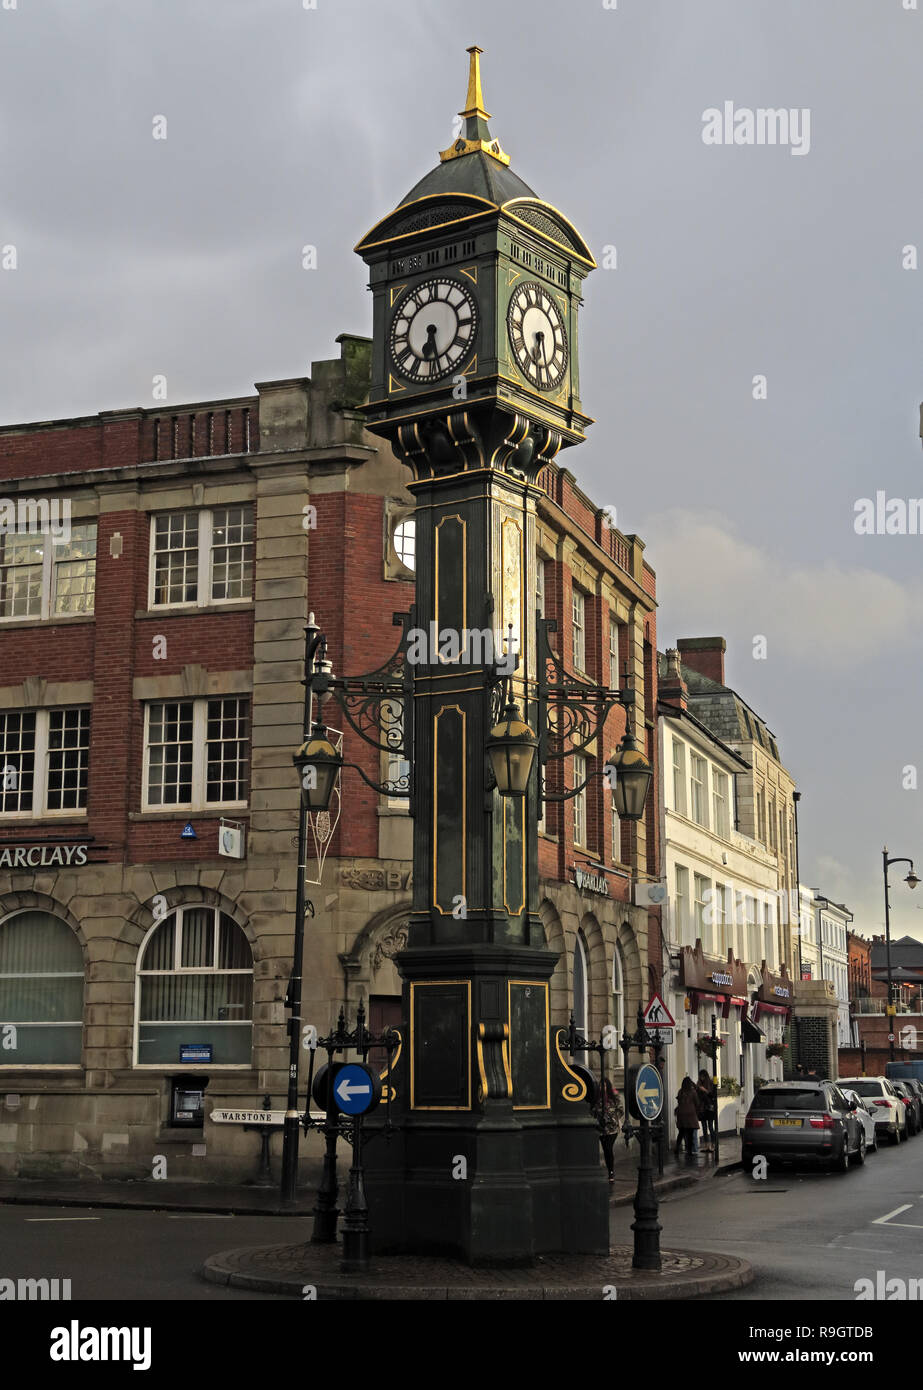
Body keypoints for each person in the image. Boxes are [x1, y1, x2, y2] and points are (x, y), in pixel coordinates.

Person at [591, 1078, 623, 1182]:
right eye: (601, 1086)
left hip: (612, 1128)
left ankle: (611, 1172)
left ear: (607, 1086)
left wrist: (613, 1118)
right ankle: (610, 1170)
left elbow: (620, 1110)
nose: (602, 1088)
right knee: (605, 1150)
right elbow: (592, 1111)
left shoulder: (614, 1097)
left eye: (604, 1086)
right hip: (601, 1128)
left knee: (609, 1148)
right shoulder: (597, 1099)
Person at [674, 1075, 702, 1160]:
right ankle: (689, 1151)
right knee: (690, 1133)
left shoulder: (680, 1091)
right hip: (690, 1114)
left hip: (681, 1114)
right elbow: (697, 1102)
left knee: (681, 1132)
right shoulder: (693, 1092)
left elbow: (679, 1101)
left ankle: (677, 1148)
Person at [696, 1069, 718, 1153]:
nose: (701, 1078)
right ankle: (706, 1146)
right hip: (702, 1108)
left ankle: (713, 1145)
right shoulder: (699, 1084)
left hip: (710, 1108)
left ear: (705, 1076)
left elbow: (712, 1095)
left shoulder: (710, 1084)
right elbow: (697, 1095)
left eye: (702, 1076)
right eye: (700, 1076)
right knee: (704, 1128)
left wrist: (704, 1090)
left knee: (710, 1127)